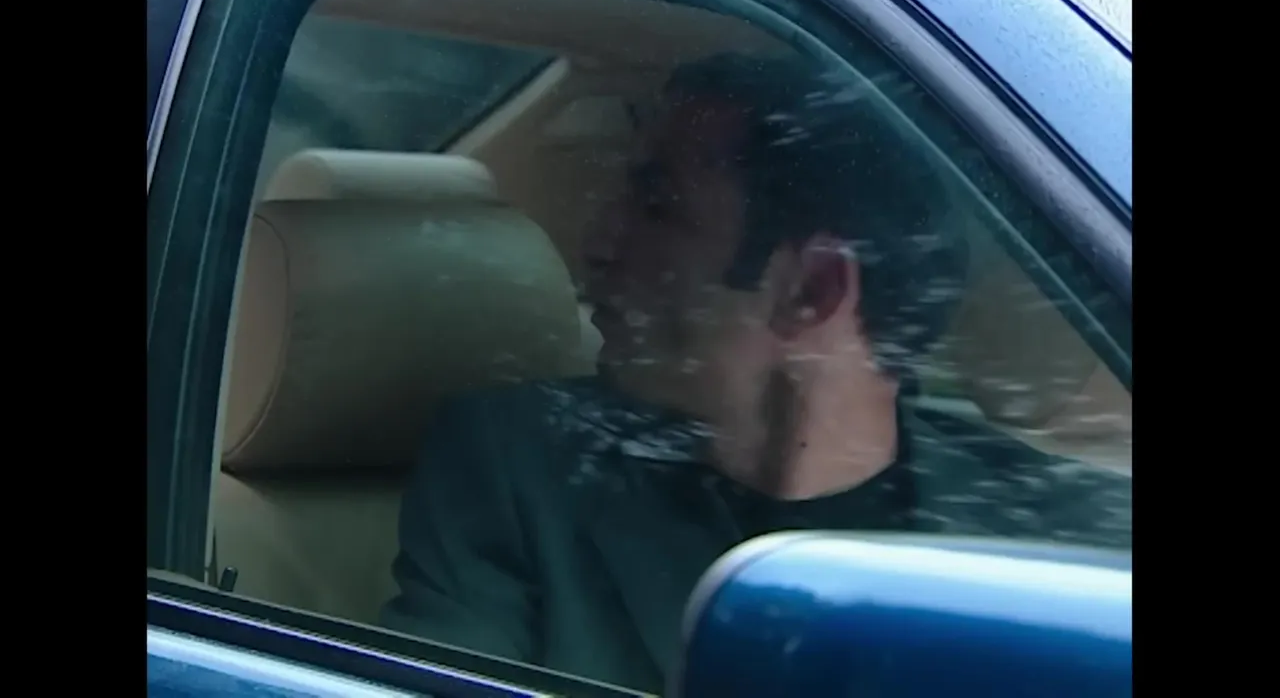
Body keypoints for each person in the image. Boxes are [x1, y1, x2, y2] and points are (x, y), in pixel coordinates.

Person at [381, 53, 1131, 693]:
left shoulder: (1066, 542)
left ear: (813, 290)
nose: (598, 244)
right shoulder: (519, 462)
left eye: (658, 206)